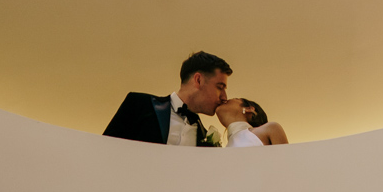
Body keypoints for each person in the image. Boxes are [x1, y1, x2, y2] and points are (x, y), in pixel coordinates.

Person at [102, 52, 264, 147]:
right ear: (198, 80)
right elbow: (104, 150)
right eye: (220, 87)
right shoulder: (138, 104)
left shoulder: (204, 137)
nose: (224, 97)